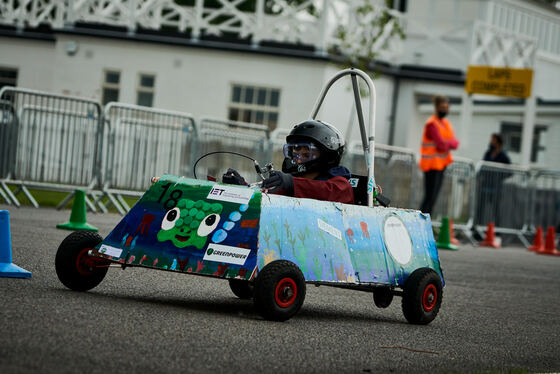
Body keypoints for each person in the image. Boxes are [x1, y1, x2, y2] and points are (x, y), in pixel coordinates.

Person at [223, 120, 354, 204]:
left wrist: (292, 184)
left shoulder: (340, 185)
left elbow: (326, 192)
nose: (298, 155)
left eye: (306, 152)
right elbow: (266, 200)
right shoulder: (290, 184)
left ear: (326, 155)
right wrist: (242, 190)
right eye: (295, 149)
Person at [419, 95, 459, 215]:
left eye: (447, 107)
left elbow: (455, 143)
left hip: (441, 165)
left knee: (433, 198)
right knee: (429, 197)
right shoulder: (432, 124)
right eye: (442, 107)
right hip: (431, 165)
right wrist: (448, 143)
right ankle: (421, 221)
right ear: (436, 107)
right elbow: (441, 145)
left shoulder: (446, 123)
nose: (445, 109)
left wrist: (447, 143)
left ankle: (426, 221)